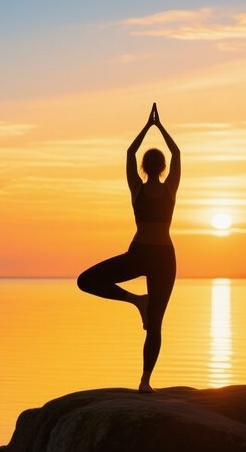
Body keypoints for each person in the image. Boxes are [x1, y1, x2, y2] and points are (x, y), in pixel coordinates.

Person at [77, 103, 180, 392]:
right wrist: (159, 128)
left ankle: (145, 380)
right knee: (154, 323)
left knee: (87, 281)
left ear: (144, 167)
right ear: (162, 168)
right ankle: (145, 378)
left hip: (148, 256)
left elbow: (129, 153)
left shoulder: (138, 189)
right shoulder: (168, 189)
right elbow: (177, 153)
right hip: (155, 256)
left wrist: (148, 127)